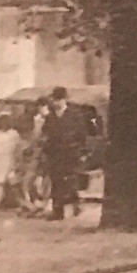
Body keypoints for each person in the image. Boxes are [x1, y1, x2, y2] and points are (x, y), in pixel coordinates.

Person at [39, 87, 86, 220]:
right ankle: (57, 211)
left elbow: (82, 134)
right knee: (55, 181)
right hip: (54, 154)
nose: (56, 102)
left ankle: (76, 203)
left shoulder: (75, 115)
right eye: (54, 99)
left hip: (70, 153)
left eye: (59, 99)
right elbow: (46, 134)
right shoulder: (50, 117)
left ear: (65, 99)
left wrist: (81, 151)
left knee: (70, 180)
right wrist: (45, 149)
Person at [0, 113, 25, 216]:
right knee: (12, 186)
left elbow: (18, 149)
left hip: (6, 160)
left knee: (0, 185)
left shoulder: (11, 134)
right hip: (3, 160)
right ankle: (27, 205)